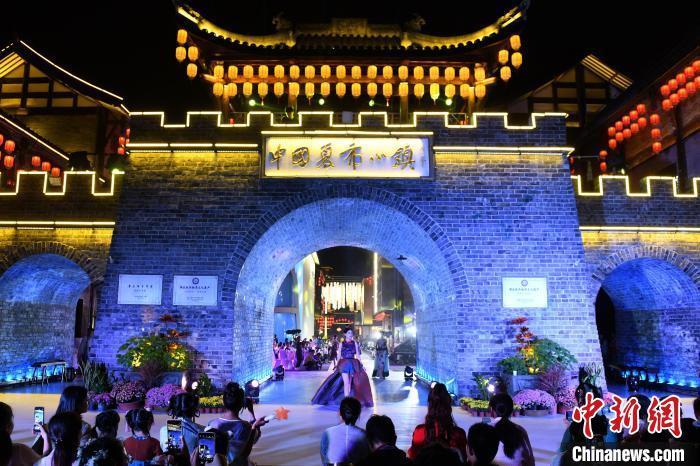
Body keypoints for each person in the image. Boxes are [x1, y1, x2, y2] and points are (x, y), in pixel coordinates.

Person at [208, 382, 268, 466]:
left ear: (224, 402)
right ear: (242, 404)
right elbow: (253, 441)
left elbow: (207, 455)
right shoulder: (246, 427)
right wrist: (251, 413)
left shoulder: (212, 424)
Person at [312, 328, 373, 407]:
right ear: (345, 334)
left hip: (352, 364)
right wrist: (337, 364)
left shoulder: (355, 343)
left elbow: (358, 355)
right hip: (344, 364)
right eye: (349, 333)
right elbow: (339, 355)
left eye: (351, 333)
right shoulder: (342, 343)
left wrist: (361, 365)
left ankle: (347, 399)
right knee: (346, 383)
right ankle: (346, 401)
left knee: (350, 383)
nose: (350, 334)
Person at [408, 383, 466, 461]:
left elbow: (413, 458)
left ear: (430, 406)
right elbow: (463, 459)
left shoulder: (419, 432)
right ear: (449, 407)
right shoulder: (458, 434)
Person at [320, 397, 370, 466]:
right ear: (358, 415)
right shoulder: (363, 434)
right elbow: (366, 457)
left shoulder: (327, 432)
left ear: (340, 413)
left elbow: (324, 458)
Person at [490, 393, 534, 466]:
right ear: (511, 411)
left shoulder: (486, 430)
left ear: (491, 410)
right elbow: (530, 459)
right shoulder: (520, 430)